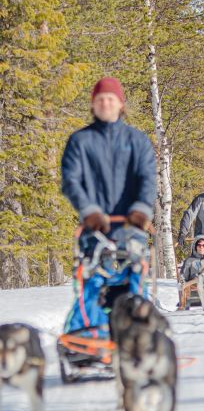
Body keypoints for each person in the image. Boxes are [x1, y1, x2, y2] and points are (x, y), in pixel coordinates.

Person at [61, 77, 157, 335]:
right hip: (96, 229)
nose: (105, 103)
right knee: (92, 283)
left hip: (131, 227)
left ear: (120, 104)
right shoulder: (80, 141)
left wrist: (140, 210)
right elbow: (71, 181)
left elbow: (148, 178)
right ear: (93, 105)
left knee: (135, 281)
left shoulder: (137, 141)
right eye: (100, 99)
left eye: (110, 99)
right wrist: (89, 211)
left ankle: (139, 331)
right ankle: (89, 332)